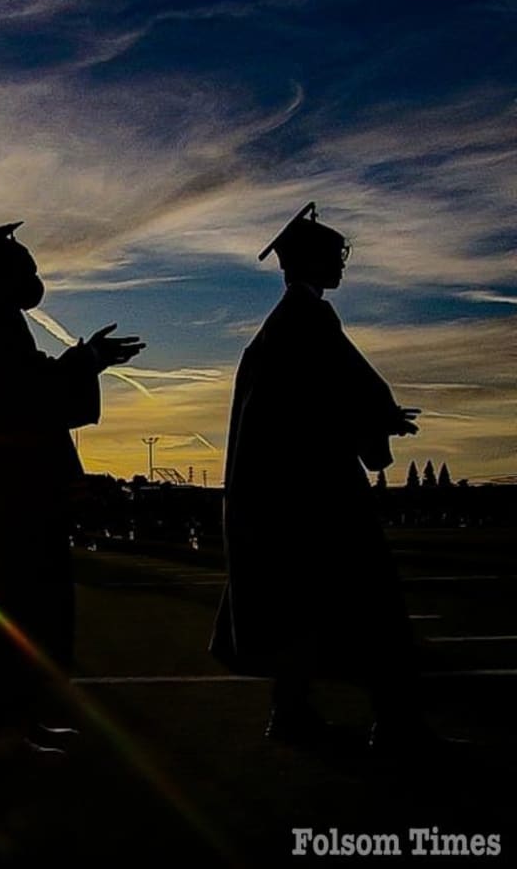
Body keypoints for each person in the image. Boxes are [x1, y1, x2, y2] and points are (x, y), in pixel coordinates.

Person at [209, 202, 431, 751]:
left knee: (300, 607)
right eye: (334, 254)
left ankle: (290, 714)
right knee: (371, 605)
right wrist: (379, 420)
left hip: (286, 497)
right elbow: (337, 392)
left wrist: (374, 417)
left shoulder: (283, 325)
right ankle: (394, 725)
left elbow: (321, 396)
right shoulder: (307, 320)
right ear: (310, 260)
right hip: (317, 495)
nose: (341, 263)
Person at [0, 222, 144, 753]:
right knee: (18, 617)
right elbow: (30, 398)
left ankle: (21, 722)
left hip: (12, 504)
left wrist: (87, 359)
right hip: (9, 507)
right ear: (2, 275)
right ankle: (6, 732)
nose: (36, 276)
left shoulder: (5, 327)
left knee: (26, 619)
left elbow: (38, 385)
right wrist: (86, 361)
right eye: (27, 267)